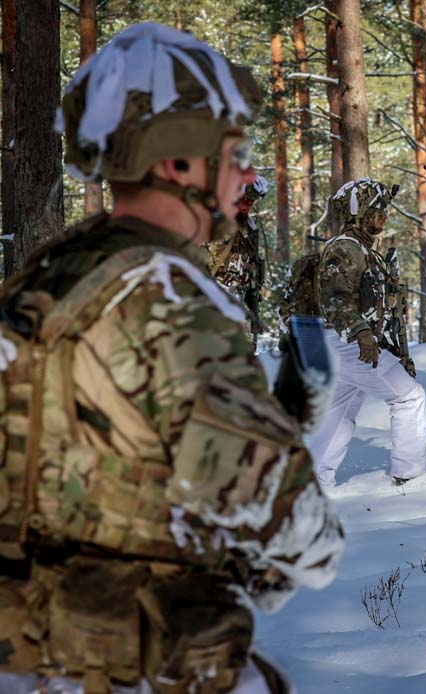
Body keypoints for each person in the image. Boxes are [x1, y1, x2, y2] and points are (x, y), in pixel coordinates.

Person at [0, 23, 343, 693]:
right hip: (131, 664)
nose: (246, 173)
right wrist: (284, 435)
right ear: (178, 162)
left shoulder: (47, 277)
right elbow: (306, 537)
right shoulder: (168, 300)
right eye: (234, 152)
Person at [293, 179, 426, 488]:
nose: (383, 218)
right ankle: (410, 476)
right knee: (409, 397)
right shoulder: (346, 247)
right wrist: (362, 335)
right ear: (360, 212)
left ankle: (313, 479)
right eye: (378, 211)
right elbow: (335, 297)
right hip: (349, 342)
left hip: (341, 342)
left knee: (340, 410)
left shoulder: (361, 249)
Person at [207, 174, 269, 338]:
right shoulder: (211, 225)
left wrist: (255, 315)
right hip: (212, 306)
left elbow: (252, 277)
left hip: (239, 307)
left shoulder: (250, 229)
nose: (246, 205)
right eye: (243, 200)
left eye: (251, 201)